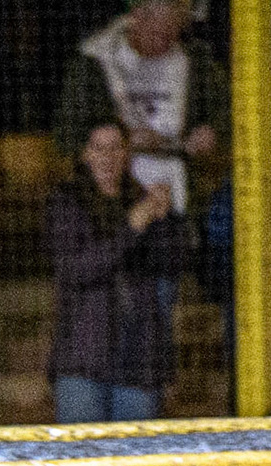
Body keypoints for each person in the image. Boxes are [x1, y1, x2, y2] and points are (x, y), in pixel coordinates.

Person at [46, 121, 186, 424]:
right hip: (83, 361)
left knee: (135, 464)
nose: (107, 156)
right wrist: (132, 228)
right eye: (99, 148)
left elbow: (172, 265)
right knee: (79, 463)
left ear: (127, 154)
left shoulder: (143, 201)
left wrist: (165, 220)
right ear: (86, 154)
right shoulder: (67, 202)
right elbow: (77, 269)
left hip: (137, 361)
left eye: (115, 148)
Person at [57, 0, 227, 224]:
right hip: (112, 206)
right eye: (159, 33)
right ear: (137, 17)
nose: (166, 42)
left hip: (180, 199)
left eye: (173, 34)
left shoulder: (195, 62)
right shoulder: (94, 61)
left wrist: (212, 132)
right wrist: (120, 141)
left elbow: (228, 112)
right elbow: (66, 138)